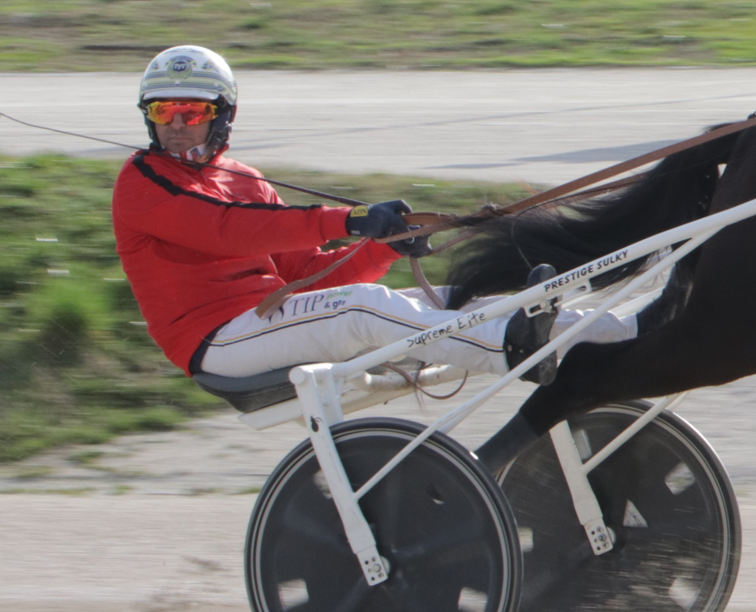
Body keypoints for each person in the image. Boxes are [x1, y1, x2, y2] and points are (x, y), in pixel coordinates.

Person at [112, 45, 625, 386]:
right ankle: (512, 351)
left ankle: (620, 337)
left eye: (193, 112)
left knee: (456, 298)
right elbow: (224, 229)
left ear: (223, 116)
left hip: (266, 319)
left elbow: (306, 276)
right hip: (217, 339)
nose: (177, 124)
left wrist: (384, 245)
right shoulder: (140, 182)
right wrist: (354, 218)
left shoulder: (246, 178)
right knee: (362, 309)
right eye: (162, 111)